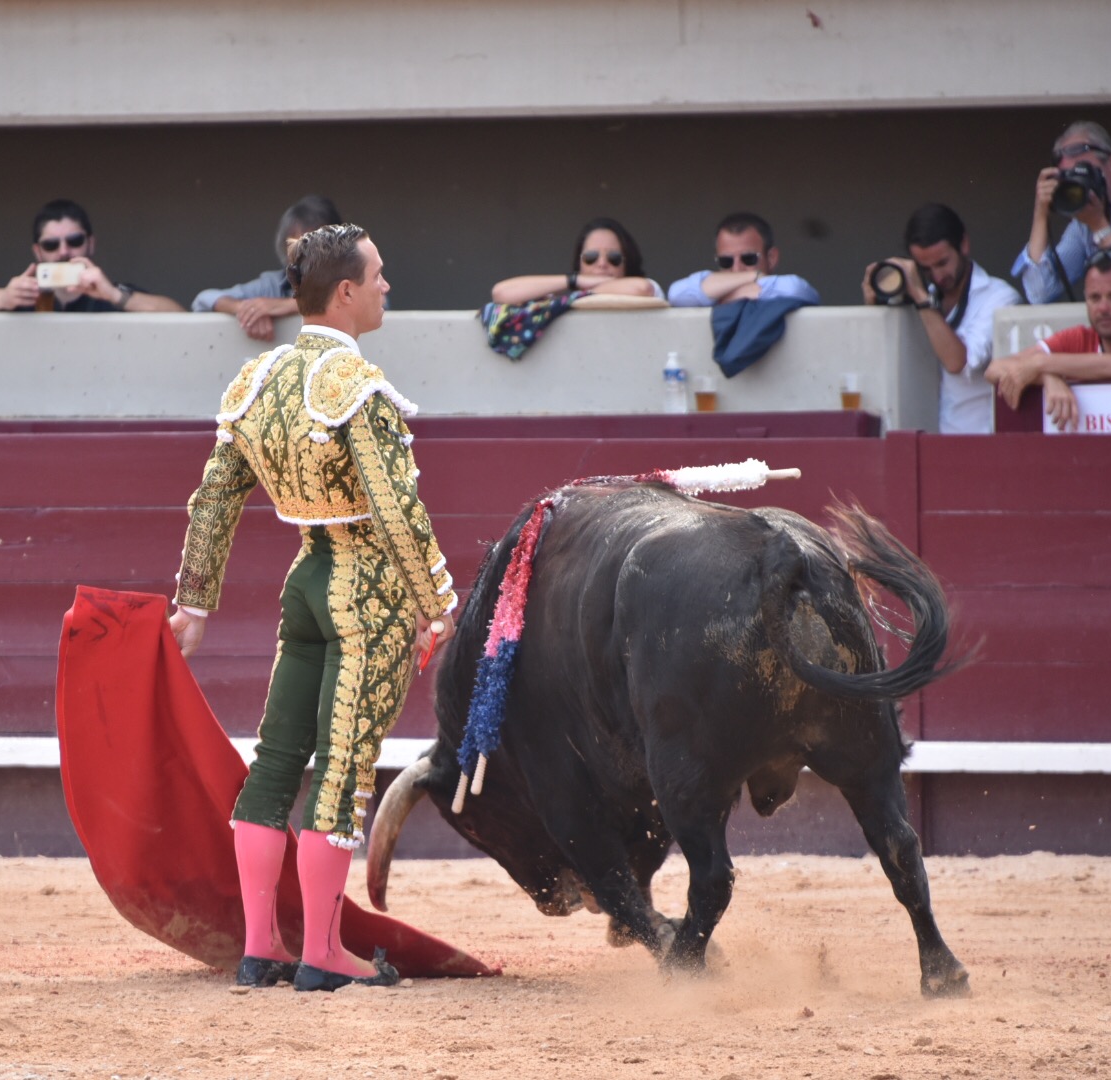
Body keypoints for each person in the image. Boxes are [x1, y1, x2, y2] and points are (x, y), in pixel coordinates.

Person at [168, 223, 458, 993]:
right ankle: (323, 952)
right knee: (342, 770)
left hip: (305, 582)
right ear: (347, 292)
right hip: (367, 592)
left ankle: (261, 946)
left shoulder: (255, 383)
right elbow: (396, 510)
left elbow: (215, 500)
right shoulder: (354, 387)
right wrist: (439, 604)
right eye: (381, 274)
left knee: (273, 762)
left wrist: (193, 604)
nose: (389, 286)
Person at [861, 204, 1021, 434]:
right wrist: (875, 305)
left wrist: (919, 295)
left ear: (964, 244)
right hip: (922, 442)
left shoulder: (1000, 298)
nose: (936, 276)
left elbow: (958, 361)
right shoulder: (923, 297)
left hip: (977, 443)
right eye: (925, 269)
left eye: (942, 263)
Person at [987, 250, 1111, 430]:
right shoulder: (1077, 338)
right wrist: (1048, 377)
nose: (1103, 308)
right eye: (1094, 298)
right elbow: (994, 369)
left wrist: (1039, 363)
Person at [0, 199, 182, 313]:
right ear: (38, 252)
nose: (64, 252)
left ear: (90, 244)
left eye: (74, 241)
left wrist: (114, 295)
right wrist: (3, 298)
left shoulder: (110, 295)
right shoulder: (23, 294)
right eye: (51, 245)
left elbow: (177, 313)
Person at [1012, 121, 1111, 305]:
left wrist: (1100, 227)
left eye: (1084, 172)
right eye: (1070, 177)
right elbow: (1040, 294)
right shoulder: (1084, 221)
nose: (1079, 184)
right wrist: (1041, 213)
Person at [192, 195, 343, 341]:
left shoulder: (353, 276)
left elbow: (351, 301)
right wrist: (247, 310)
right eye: (299, 245)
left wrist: (289, 305)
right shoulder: (274, 284)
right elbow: (203, 299)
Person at [490, 217, 663, 304]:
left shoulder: (649, 287)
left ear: (627, 262)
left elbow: (641, 288)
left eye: (613, 258)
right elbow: (501, 292)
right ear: (579, 262)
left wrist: (583, 292)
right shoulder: (571, 298)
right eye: (591, 257)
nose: (602, 264)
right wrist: (574, 280)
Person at [668, 212, 820, 307]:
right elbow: (676, 295)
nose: (736, 268)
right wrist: (754, 275)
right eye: (726, 261)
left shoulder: (788, 286)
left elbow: (795, 289)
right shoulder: (751, 277)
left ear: (771, 258)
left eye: (749, 259)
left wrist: (724, 295)